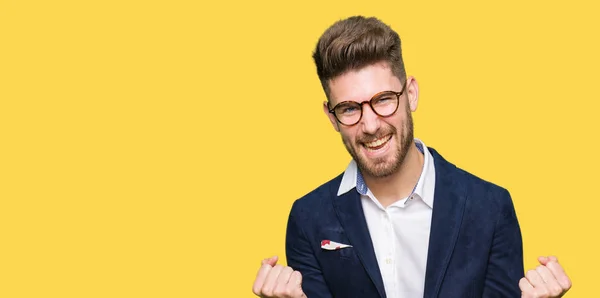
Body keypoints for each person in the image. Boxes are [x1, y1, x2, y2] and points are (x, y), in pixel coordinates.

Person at [252, 16, 572, 298]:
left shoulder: (490, 208)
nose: (371, 124)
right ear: (331, 117)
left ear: (411, 93)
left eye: (384, 99)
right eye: (349, 108)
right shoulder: (308, 219)